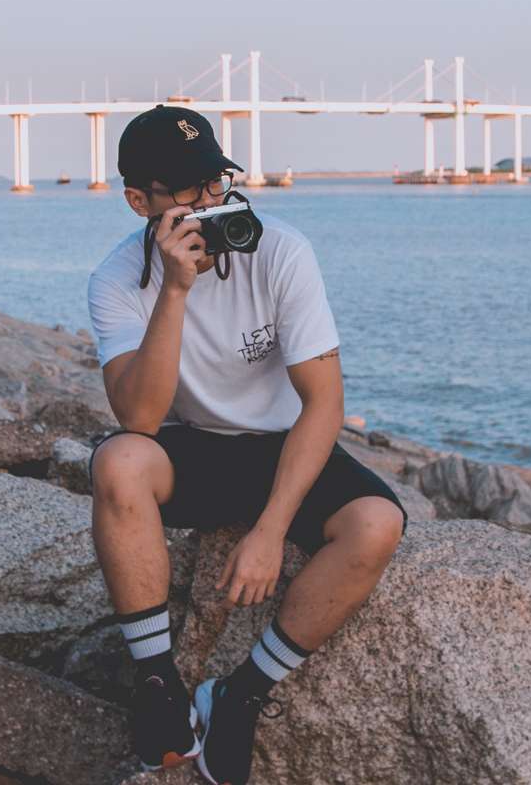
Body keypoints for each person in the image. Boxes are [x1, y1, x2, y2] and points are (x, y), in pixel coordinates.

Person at [85, 105, 407, 785]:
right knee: (118, 461)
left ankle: (241, 694)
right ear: (139, 202)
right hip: (191, 445)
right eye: (187, 191)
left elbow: (325, 403)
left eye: (216, 182)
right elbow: (140, 418)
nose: (210, 203)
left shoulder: (282, 250)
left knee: (378, 524)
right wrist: (176, 290)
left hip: (285, 444)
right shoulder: (118, 280)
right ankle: (159, 686)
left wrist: (270, 530)